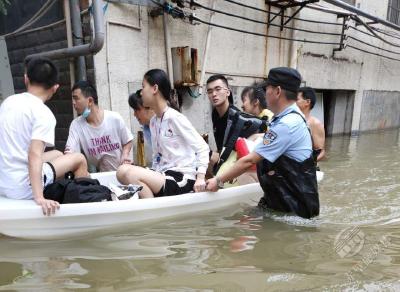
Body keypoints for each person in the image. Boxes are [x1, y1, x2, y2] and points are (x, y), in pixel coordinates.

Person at [206, 67, 319, 219]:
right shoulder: (289, 118)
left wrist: (217, 181)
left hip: (294, 211)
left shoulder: (286, 124)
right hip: (282, 202)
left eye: (267, 89)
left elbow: (250, 160)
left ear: (277, 91)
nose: (265, 93)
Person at [0, 57, 88, 216]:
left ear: (26, 79)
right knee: (79, 158)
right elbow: (34, 154)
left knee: (57, 154)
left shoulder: (8, 102)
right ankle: (83, 207)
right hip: (22, 187)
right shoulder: (43, 114)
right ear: (55, 88)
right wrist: (39, 197)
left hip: (4, 181)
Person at [117, 69, 210, 198]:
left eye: (143, 87)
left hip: (182, 178)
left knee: (129, 173)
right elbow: (157, 156)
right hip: (164, 175)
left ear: (155, 89)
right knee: (121, 172)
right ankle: (152, 206)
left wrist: (200, 177)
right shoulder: (154, 122)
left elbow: (202, 147)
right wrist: (152, 173)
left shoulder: (174, 118)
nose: (141, 92)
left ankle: (152, 210)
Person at [65, 81, 134, 172]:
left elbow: (128, 140)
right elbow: (70, 153)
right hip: (103, 175)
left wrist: (125, 155)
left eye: (76, 98)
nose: (73, 103)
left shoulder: (114, 118)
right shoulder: (76, 125)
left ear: (90, 101)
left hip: (125, 172)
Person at [296, 87, 326, 162]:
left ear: (307, 102)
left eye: (297, 100)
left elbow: (321, 152)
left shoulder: (315, 123)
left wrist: (308, 165)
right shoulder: (289, 119)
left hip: (304, 169)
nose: (293, 102)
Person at [128, 89, 155, 166]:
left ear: (149, 107)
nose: (134, 114)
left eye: (137, 110)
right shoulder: (146, 127)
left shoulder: (168, 120)